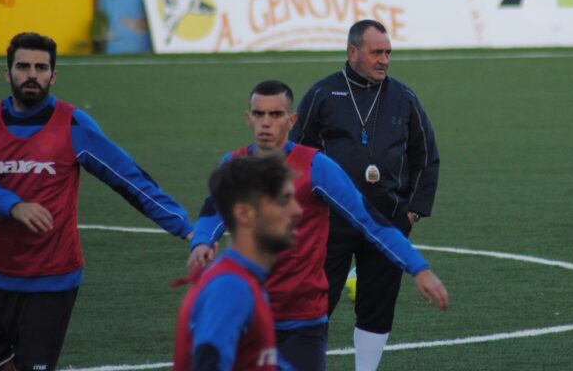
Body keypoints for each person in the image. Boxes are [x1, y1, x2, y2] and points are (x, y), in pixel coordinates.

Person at [188, 80, 447, 371]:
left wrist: (418, 267)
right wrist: (200, 242)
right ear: (247, 118)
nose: (266, 123)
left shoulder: (315, 167)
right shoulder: (233, 166)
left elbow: (370, 221)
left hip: (302, 321)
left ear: (292, 120)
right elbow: (212, 213)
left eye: (275, 115)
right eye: (258, 114)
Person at [0, 32, 194, 371]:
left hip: (52, 279)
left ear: (53, 76)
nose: (32, 75)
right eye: (23, 66)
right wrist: (12, 205)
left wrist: (186, 229)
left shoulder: (73, 125)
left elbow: (130, 180)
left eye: (41, 68)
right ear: (7, 72)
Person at [289, 19, 441, 371]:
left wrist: (411, 213)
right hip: (330, 221)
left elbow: (426, 156)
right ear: (353, 52)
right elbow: (295, 154)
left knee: (378, 305)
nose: (384, 60)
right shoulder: (323, 94)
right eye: (376, 52)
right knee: (315, 304)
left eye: (388, 52)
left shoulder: (403, 98)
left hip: (386, 221)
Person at [174, 155, 303, 370]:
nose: (297, 211)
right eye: (283, 201)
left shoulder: (243, 280)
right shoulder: (231, 288)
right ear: (244, 214)